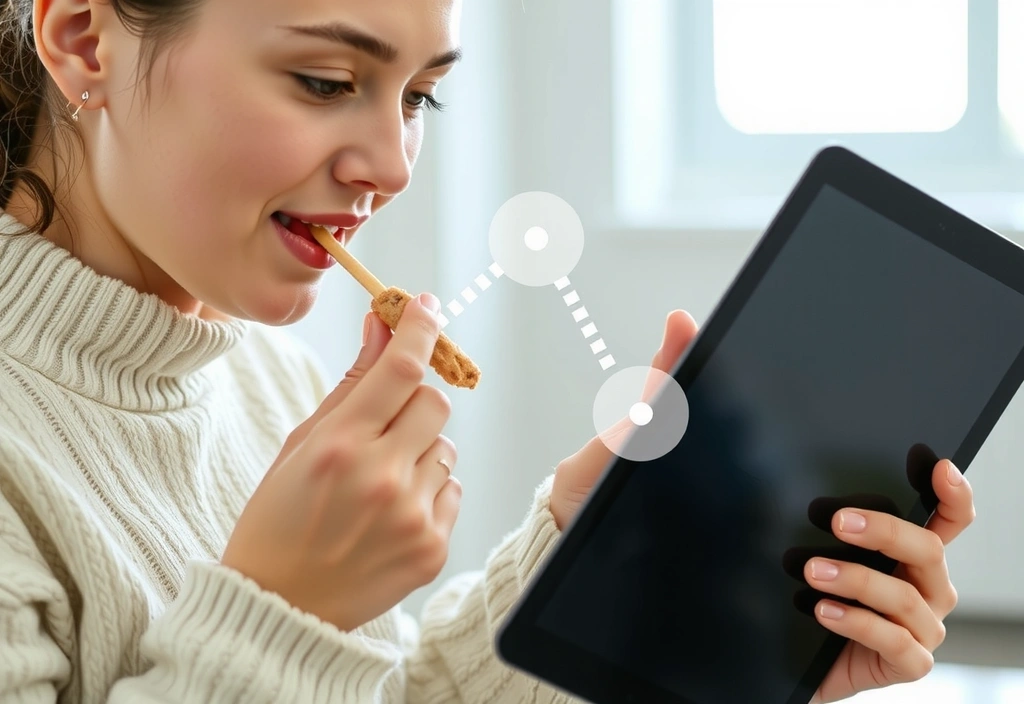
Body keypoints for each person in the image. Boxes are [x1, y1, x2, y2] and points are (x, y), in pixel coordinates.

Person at [0, 0, 976, 701]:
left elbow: (383, 693)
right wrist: (281, 611)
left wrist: (616, 600)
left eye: (420, 97)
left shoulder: (269, 380)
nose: (391, 166)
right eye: (325, 82)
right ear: (84, 42)